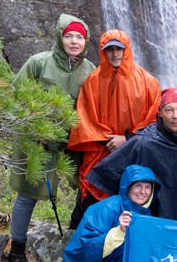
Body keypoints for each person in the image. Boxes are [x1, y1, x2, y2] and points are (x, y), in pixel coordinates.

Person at [7, 14, 95, 262]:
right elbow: (17, 95)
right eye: (69, 35)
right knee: (27, 195)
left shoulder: (90, 70)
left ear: (86, 40)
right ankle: (17, 249)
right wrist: (35, 128)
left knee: (86, 187)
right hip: (37, 139)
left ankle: (75, 235)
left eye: (79, 37)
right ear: (60, 37)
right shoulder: (38, 63)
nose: (74, 41)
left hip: (74, 141)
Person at [66, 30, 161, 229]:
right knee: (91, 198)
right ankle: (85, 242)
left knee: (134, 199)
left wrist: (127, 139)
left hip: (134, 151)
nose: (115, 54)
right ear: (103, 52)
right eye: (110, 50)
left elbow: (154, 120)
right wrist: (108, 140)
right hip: (101, 152)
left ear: (127, 50)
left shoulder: (148, 82)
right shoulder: (92, 82)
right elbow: (84, 118)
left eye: (119, 49)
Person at [86, 87, 177, 221]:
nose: (175, 116)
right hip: (160, 218)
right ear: (160, 113)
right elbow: (108, 173)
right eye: (169, 110)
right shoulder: (145, 142)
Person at [61, 164, 161, 262]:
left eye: (148, 187)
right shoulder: (106, 208)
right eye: (138, 186)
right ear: (127, 187)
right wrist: (118, 232)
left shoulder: (146, 215)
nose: (143, 192)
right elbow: (84, 249)